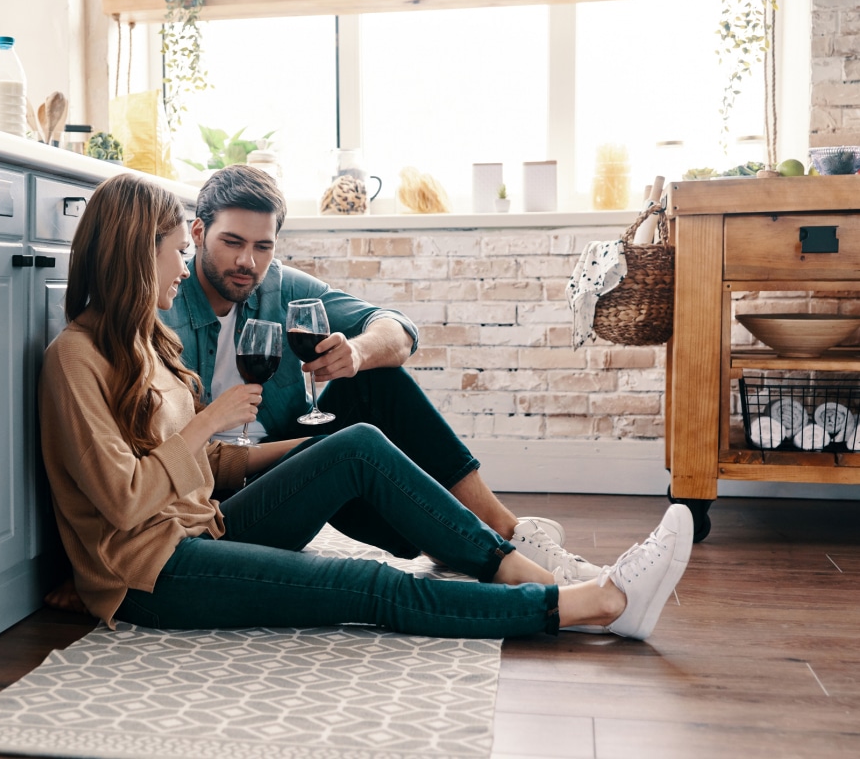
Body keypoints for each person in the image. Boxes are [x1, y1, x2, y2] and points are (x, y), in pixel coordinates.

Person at [38, 171, 693, 642]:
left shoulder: (148, 340)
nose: (183, 267)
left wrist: (309, 452)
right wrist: (212, 419)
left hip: (206, 527)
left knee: (357, 443)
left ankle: (518, 561)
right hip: (152, 573)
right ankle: (590, 604)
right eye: (177, 250)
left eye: (186, 251)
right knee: (369, 588)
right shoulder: (76, 357)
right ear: (135, 252)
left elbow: (204, 464)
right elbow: (124, 502)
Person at [158, 164, 598, 582]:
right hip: (217, 501)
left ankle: (502, 530)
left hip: (283, 466)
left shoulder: (280, 287)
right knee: (355, 452)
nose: (248, 263)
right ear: (198, 232)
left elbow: (398, 328)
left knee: (373, 380)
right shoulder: (162, 301)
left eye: (263, 247)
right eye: (233, 243)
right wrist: (318, 445)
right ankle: (466, 539)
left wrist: (357, 353)